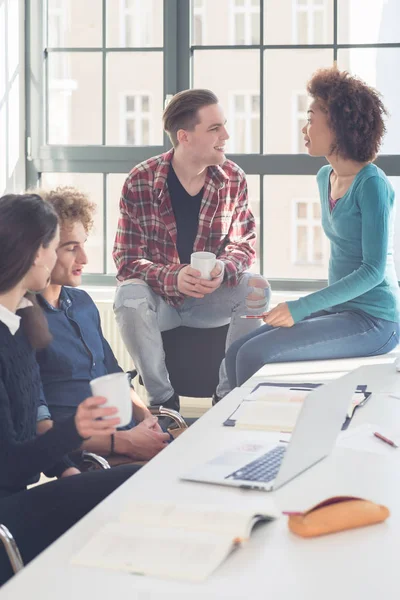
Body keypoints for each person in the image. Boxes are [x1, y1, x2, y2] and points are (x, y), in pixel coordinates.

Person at [226, 67, 400, 389]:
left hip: (375, 321)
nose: (304, 128)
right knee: (236, 352)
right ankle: (229, 429)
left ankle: (243, 432)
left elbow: (373, 271)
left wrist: (301, 307)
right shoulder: (325, 177)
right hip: (340, 311)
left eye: (311, 117)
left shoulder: (372, 184)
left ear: (337, 125)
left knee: (252, 356)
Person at [0, 192, 139, 586]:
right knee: (131, 486)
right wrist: (75, 429)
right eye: (55, 245)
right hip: (5, 518)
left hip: (17, 499)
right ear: (35, 252)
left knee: (137, 483)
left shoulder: (20, 324)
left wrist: (67, 467)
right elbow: (11, 463)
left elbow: (28, 435)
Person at [113, 88, 270, 409]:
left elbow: (244, 245)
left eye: (223, 126)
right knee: (128, 295)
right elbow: (127, 261)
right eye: (215, 129)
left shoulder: (233, 179)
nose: (226, 135)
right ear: (184, 136)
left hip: (211, 300)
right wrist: (173, 277)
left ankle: (227, 396)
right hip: (163, 305)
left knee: (257, 287)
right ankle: (162, 401)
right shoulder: (140, 180)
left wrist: (222, 269)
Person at [35, 186, 170, 462]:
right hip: (92, 454)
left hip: (127, 435)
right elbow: (42, 430)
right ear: (42, 250)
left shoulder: (83, 303)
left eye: (84, 245)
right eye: (72, 248)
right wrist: (126, 442)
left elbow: (113, 373)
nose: (84, 259)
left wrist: (146, 418)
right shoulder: (24, 321)